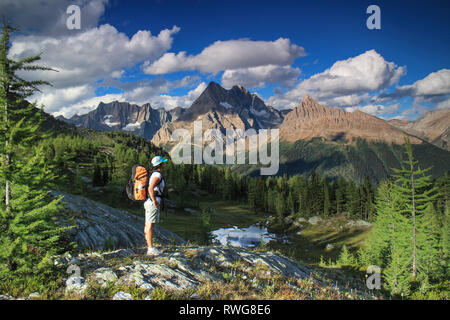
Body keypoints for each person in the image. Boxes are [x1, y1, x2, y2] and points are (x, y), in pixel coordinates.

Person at [144, 156, 167, 256]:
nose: (164, 164)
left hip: (148, 202)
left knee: (147, 225)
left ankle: (150, 247)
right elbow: (150, 188)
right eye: (163, 162)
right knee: (150, 226)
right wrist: (154, 201)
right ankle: (150, 249)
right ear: (160, 164)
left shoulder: (152, 174)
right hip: (152, 203)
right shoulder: (157, 174)